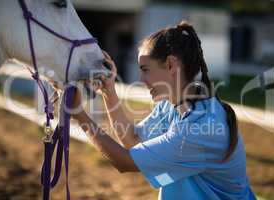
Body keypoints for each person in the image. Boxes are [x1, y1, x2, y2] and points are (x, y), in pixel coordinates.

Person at [70, 21, 257, 200]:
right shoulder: (171, 106)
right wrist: (108, 91)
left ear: (171, 65)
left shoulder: (199, 127)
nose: (141, 79)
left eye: (145, 69)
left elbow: (124, 161)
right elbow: (132, 140)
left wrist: (79, 115)